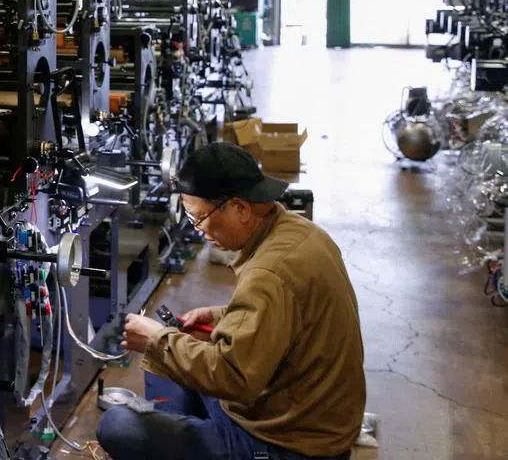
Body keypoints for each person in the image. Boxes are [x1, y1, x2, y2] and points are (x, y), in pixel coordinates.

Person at [97, 141, 365, 460]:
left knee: (118, 424)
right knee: (164, 359)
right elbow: (293, 316)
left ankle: (186, 438)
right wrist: (223, 316)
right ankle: (183, 434)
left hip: (288, 445)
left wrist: (156, 340)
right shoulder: (300, 233)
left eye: (200, 219)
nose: (199, 232)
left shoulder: (269, 273)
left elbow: (234, 379)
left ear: (239, 207)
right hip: (299, 413)